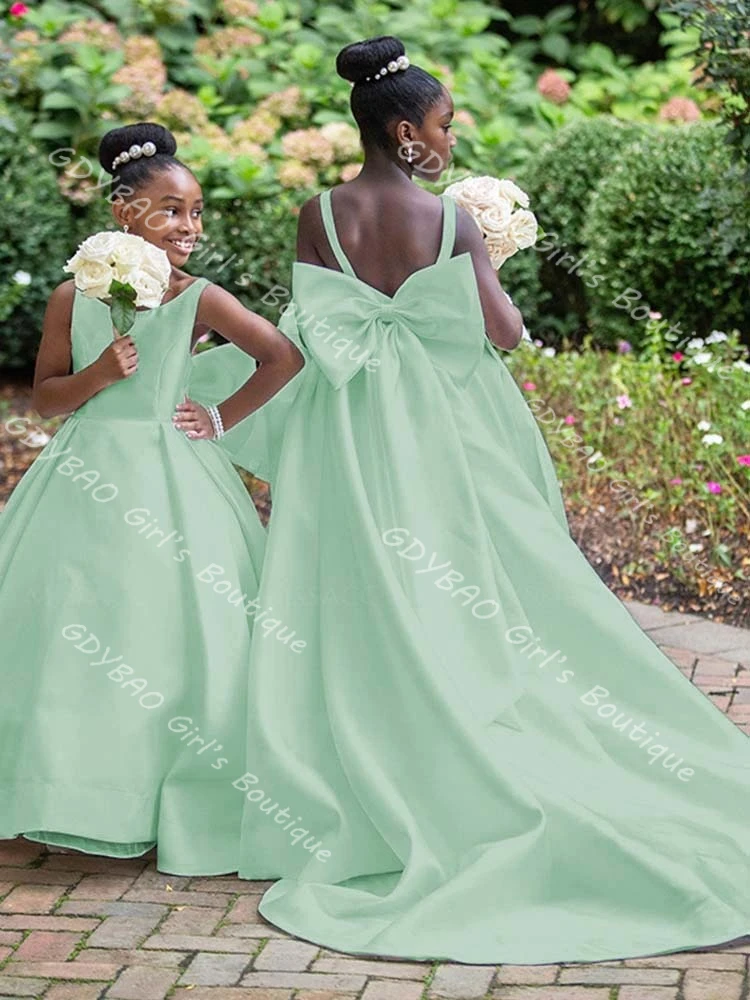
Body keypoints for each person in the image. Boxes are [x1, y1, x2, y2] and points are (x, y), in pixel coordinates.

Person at [213, 36, 748, 964]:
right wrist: (482, 259)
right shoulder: (444, 217)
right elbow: (501, 332)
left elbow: (312, 319)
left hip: (346, 420)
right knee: (454, 554)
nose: (452, 140)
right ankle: (459, 688)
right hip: (433, 424)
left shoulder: (318, 212)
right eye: (445, 125)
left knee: (354, 561)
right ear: (404, 130)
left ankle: (354, 728)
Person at [0, 122, 304, 876]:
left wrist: (223, 416)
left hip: (173, 478)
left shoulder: (197, 296)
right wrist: (99, 373)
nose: (189, 227)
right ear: (125, 210)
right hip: (81, 477)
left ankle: (168, 792)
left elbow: (282, 355)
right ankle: (56, 791)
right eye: (171, 210)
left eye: (197, 212)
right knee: (70, 625)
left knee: (172, 631)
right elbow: (43, 400)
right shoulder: (74, 294)